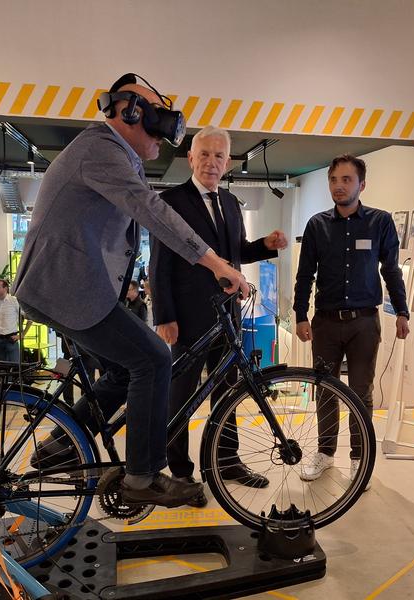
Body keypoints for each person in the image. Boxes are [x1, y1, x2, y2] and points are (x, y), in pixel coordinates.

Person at [12, 73, 248, 509]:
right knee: (154, 358)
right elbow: (152, 212)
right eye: (159, 123)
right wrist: (217, 264)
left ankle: (59, 445)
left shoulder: (116, 154)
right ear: (131, 112)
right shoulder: (100, 149)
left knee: (123, 370)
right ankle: (141, 476)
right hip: (66, 288)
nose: (165, 138)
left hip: (70, 288)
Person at [151, 125, 287, 506]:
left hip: (227, 315)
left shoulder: (230, 202)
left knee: (227, 391)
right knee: (181, 396)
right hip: (186, 318)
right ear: (190, 159)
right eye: (205, 154)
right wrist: (164, 315)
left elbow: (236, 252)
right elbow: (159, 264)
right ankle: (179, 473)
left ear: (228, 163)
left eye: (219, 156)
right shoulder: (171, 201)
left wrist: (265, 245)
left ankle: (226, 460)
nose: (212, 162)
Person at [293, 154, 410, 487]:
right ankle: (326, 453)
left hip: (364, 323)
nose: (339, 186)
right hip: (325, 323)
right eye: (334, 180)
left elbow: (391, 270)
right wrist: (301, 316)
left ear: (362, 184)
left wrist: (402, 311)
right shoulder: (317, 225)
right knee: (325, 389)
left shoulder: (380, 222)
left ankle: (360, 457)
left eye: (346, 180)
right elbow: (305, 275)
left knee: (361, 392)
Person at [0, 279, 22, 362]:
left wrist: (22, 335)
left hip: (11, 339)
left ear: (5, 288)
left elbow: (29, 318)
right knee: (1, 368)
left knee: (14, 367)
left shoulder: (14, 301)